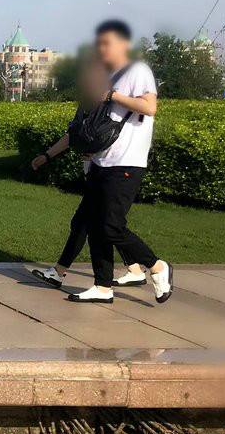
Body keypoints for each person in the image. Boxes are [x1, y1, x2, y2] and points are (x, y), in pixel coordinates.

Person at [30, 20, 172, 304]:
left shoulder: (137, 70)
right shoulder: (108, 76)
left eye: (108, 43)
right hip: (101, 163)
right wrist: (49, 154)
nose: (102, 49)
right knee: (94, 226)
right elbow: (85, 128)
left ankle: (156, 266)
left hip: (127, 162)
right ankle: (103, 286)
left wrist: (111, 96)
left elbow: (149, 106)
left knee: (111, 226)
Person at [30, 53, 146, 289]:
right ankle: (133, 269)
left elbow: (115, 135)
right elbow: (74, 135)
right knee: (99, 224)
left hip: (111, 171)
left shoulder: (113, 102)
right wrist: (48, 155)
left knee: (96, 224)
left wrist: (95, 152)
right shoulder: (88, 103)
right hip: (96, 171)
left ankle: (154, 267)